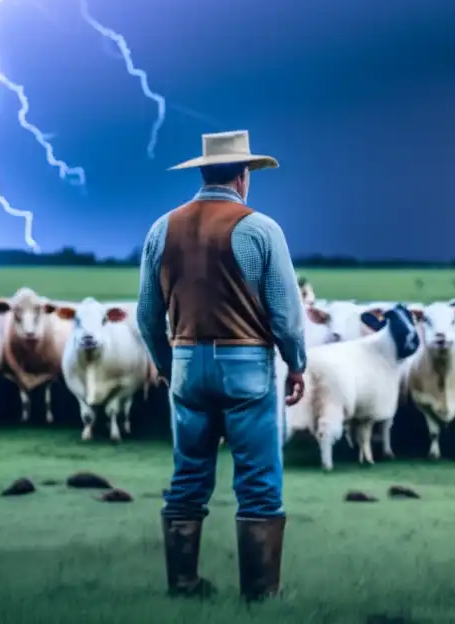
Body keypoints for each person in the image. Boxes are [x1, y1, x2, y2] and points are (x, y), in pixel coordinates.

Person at [136, 129, 306, 602]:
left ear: (203, 171)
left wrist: (168, 365)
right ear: (242, 175)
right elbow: (287, 315)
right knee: (258, 483)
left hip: (187, 363)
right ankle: (260, 595)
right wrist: (296, 364)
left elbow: (146, 316)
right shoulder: (260, 228)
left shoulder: (160, 228)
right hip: (247, 364)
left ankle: (184, 585)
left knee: (187, 478)